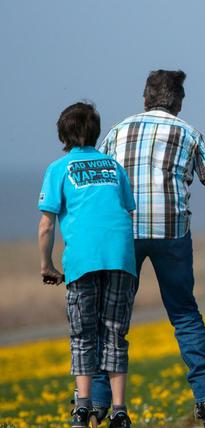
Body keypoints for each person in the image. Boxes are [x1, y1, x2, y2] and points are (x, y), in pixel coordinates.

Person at [94, 70, 205, 428]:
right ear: (179, 102)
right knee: (185, 314)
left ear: (145, 98)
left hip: (124, 233)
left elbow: (99, 189)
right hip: (172, 232)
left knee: (112, 321)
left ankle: (98, 404)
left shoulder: (116, 132)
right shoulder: (189, 133)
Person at [38, 102, 137, 428]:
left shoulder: (58, 169)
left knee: (83, 334)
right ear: (95, 132)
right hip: (121, 259)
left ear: (62, 134)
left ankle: (82, 407)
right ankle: (120, 410)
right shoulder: (114, 167)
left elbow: (47, 225)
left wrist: (46, 264)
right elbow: (126, 210)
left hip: (82, 261)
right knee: (114, 334)